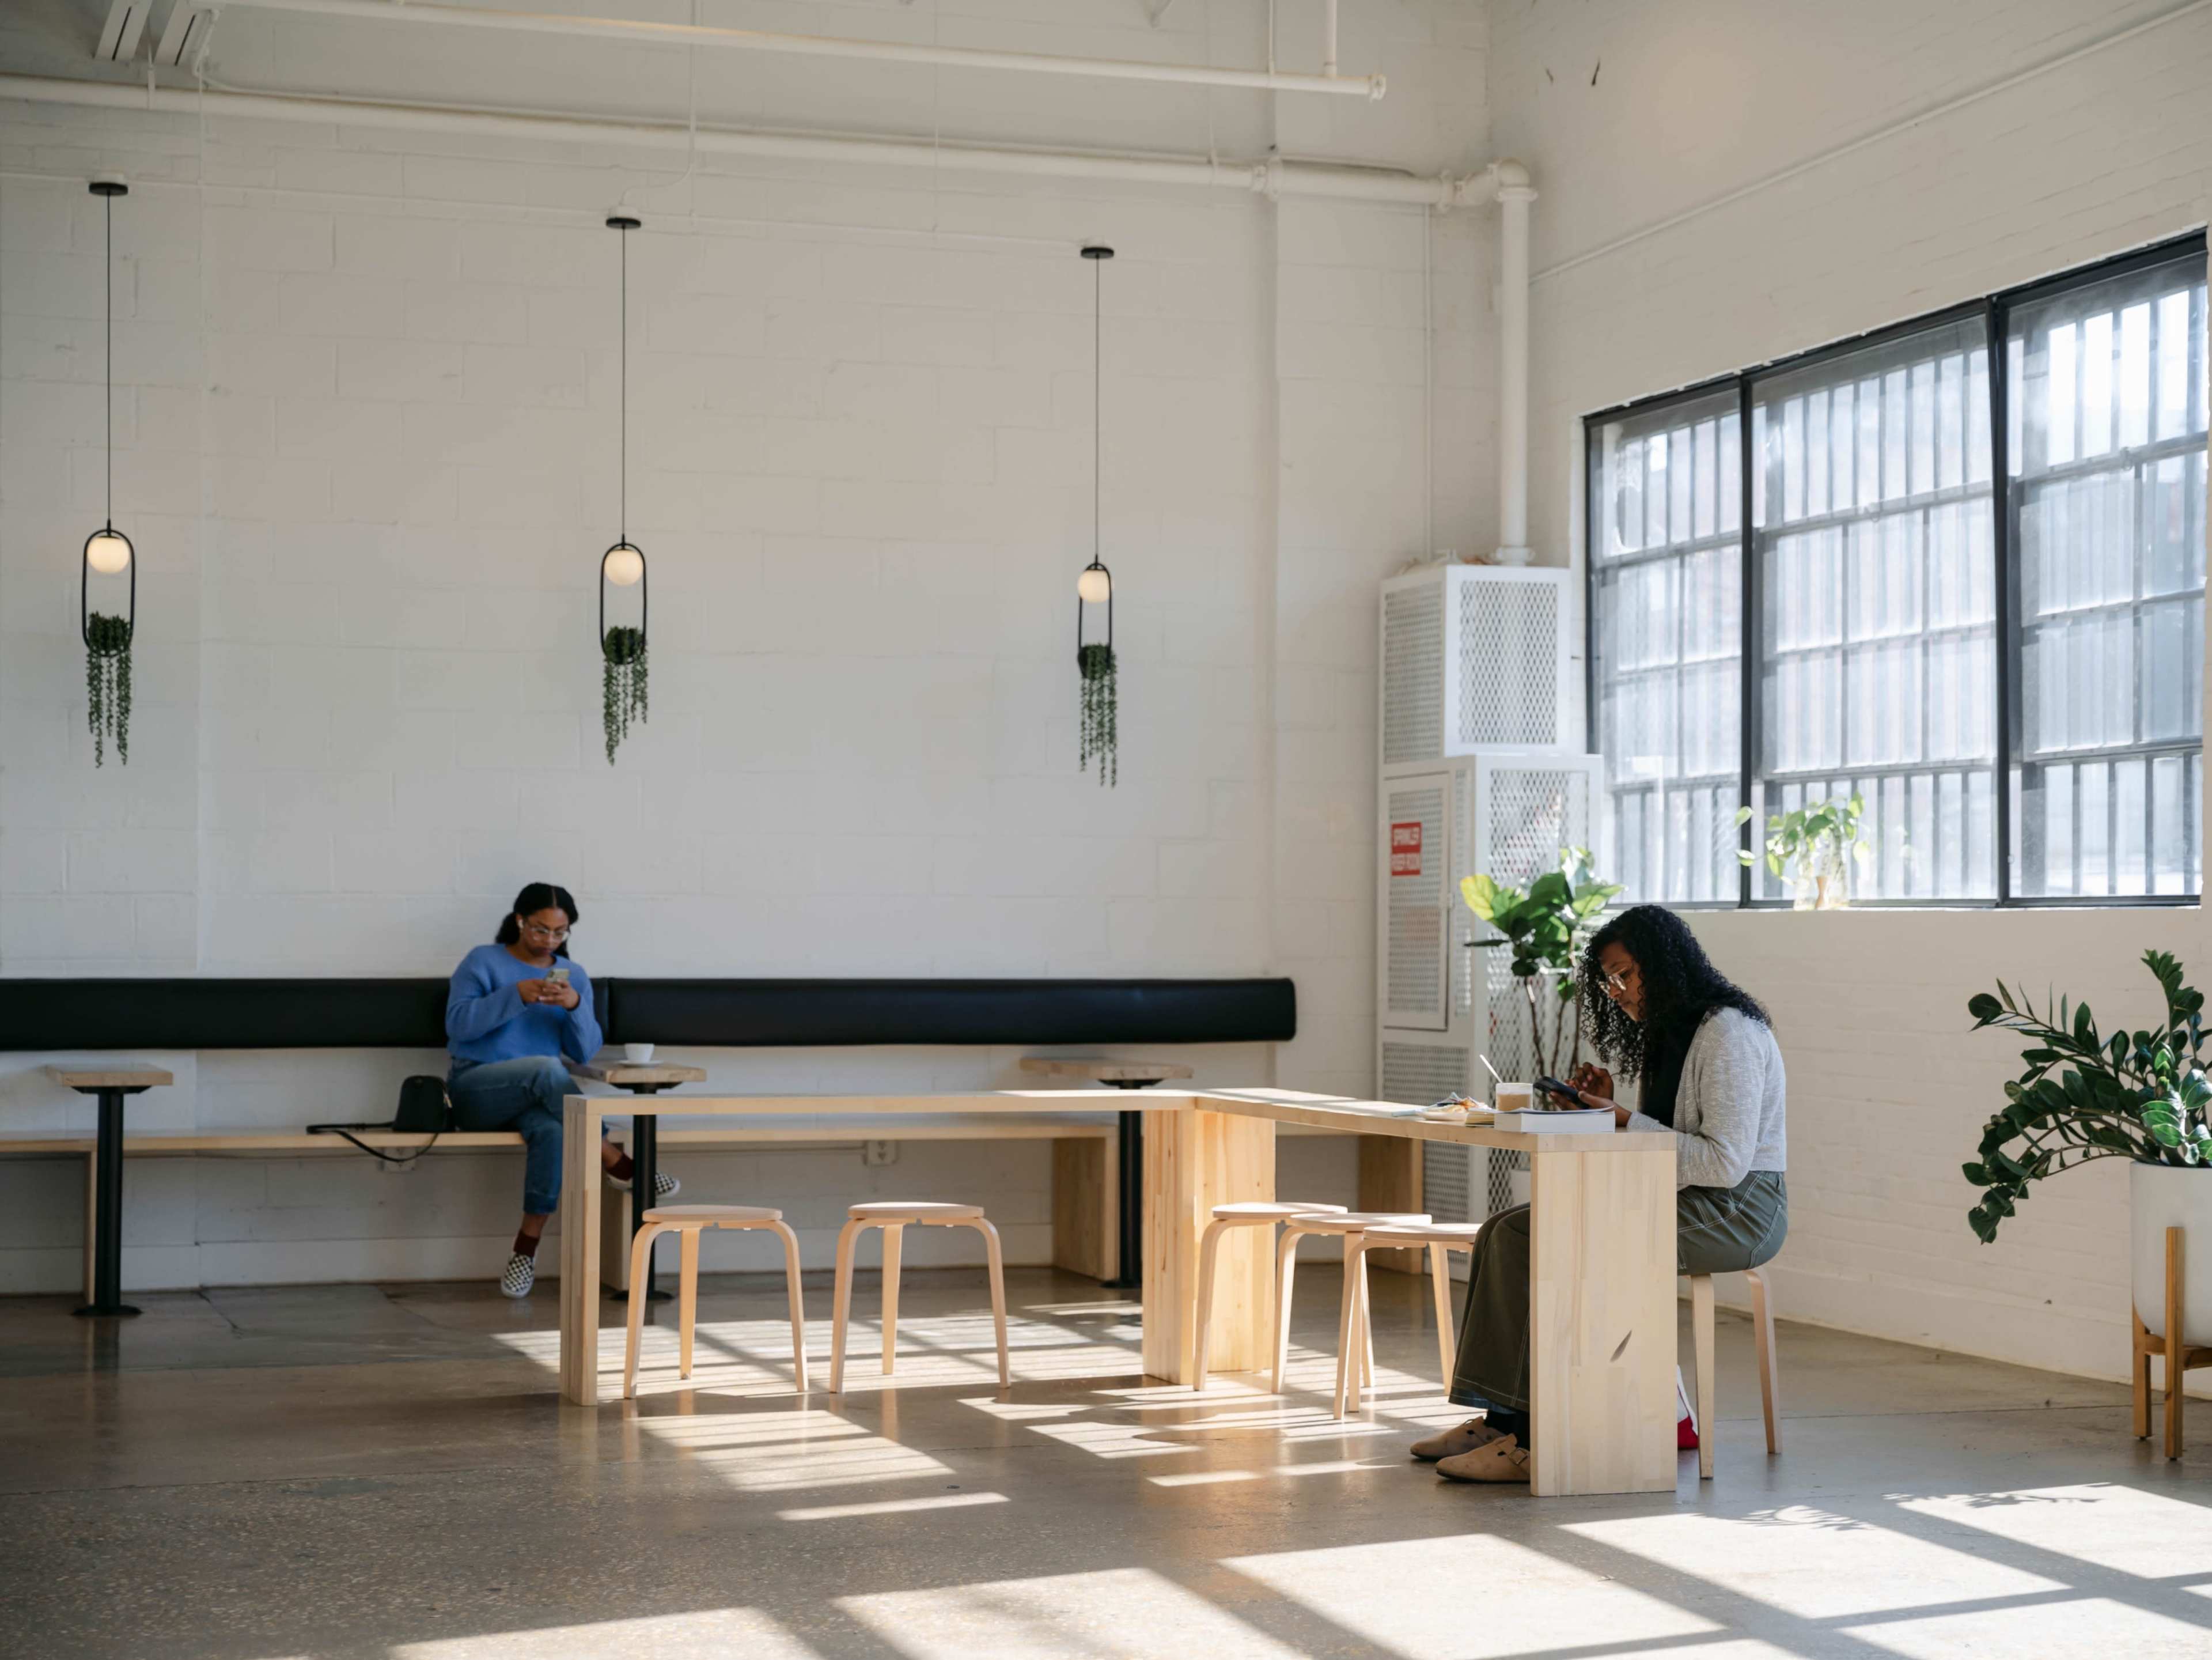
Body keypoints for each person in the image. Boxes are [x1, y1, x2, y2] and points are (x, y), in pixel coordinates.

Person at [1414, 902, 1787, 1483]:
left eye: (1624, 974)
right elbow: (1669, 1143)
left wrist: (1621, 1120)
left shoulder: (1727, 1033)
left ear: (1663, 964)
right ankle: (1504, 1418)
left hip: (1740, 1210)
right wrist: (1614, 1111)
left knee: (1573, 1241)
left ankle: (1544, 1438)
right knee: (1508, 1232)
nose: (1615, 990)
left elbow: (1724, 1161)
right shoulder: (1671, 1033)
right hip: (1688, 1199)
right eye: (1607, 979)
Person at [447, 882, 676, 1299]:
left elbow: (585, 1052)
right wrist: (514, 994)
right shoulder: (483, 961)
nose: (549, 940)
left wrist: (573, 1007)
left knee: (555, 1130)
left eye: (559, 932)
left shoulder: (576, 977)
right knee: (544, 1068)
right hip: (475, 1090)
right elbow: (459, 1026)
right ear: (520, 920)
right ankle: (617, 1161)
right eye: (540, 929)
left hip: (539, 1098)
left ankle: (525, 1249)